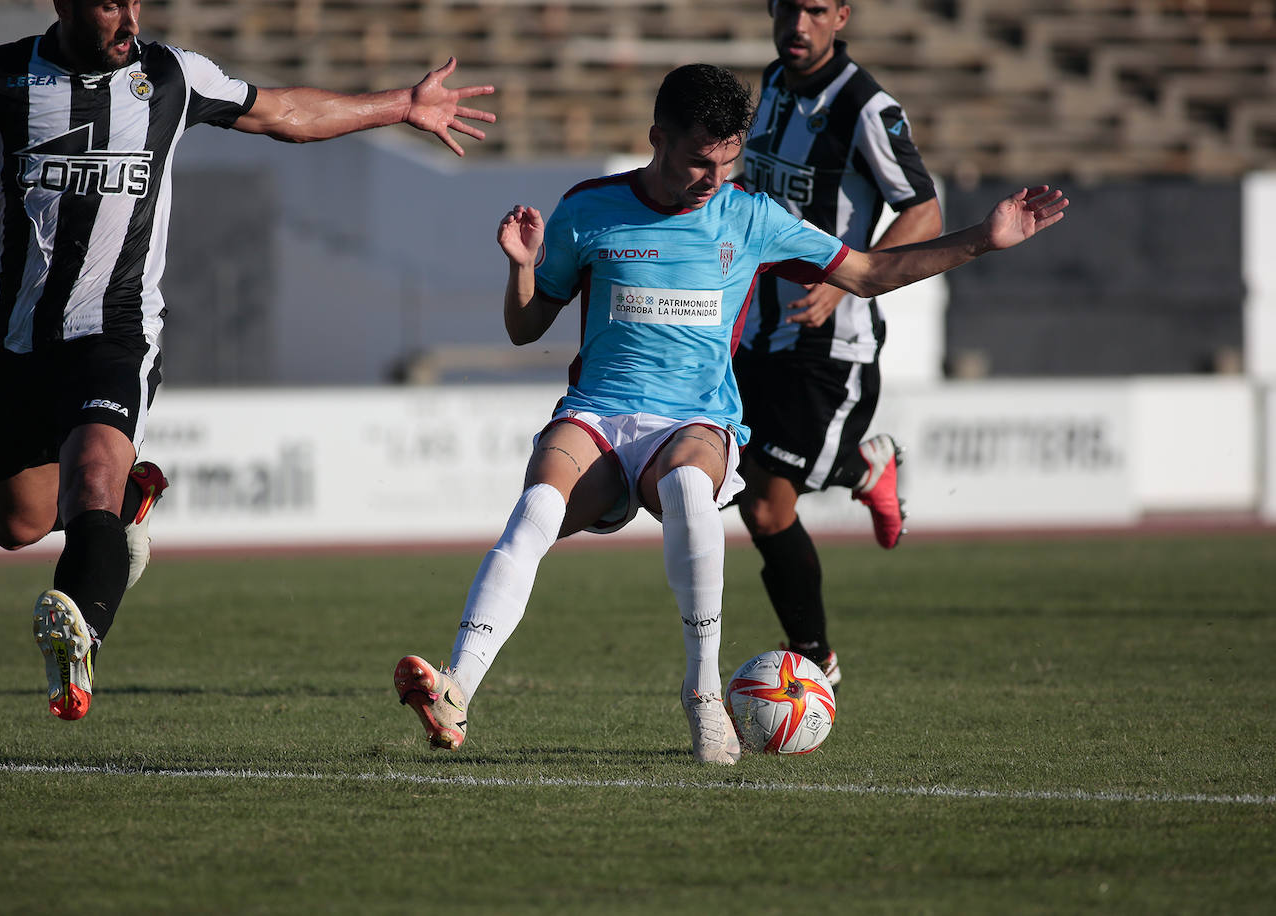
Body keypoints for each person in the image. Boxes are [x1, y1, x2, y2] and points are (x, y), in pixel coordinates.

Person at [394, 63, 1066, 765]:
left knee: (689, 487)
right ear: (656, 138)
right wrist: (522, 269)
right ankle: (455, 690)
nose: (713, 177)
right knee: (535, 509)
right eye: (696, 161)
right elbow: (526, 328)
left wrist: (983, 239)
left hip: (693, 423)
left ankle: (703, 696)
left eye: (728, 161)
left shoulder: (751, 217)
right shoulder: (588, 210)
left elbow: (868, 273)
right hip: (597, 414)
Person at [0, 0, 494, 722]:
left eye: (135, 2)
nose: (129, 19)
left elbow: (284, 113)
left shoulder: (169, 75)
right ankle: (128, 509)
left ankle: (79, 640)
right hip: (17, 341)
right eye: (109, 4)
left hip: (116, 333)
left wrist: (401, 103)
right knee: (19, 525)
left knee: (89, 475)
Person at [733, 0, 944, 689]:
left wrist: (847, 282)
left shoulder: (865, 107)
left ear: (842, 15)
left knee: (768, 502)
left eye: (817, 9)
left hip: (830, 337)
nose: (799, 24)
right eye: (788, 7)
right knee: (754, 499)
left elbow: (923, 209)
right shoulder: (768, 86)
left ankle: (815, 660)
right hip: (757, 329)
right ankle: (863, 471)